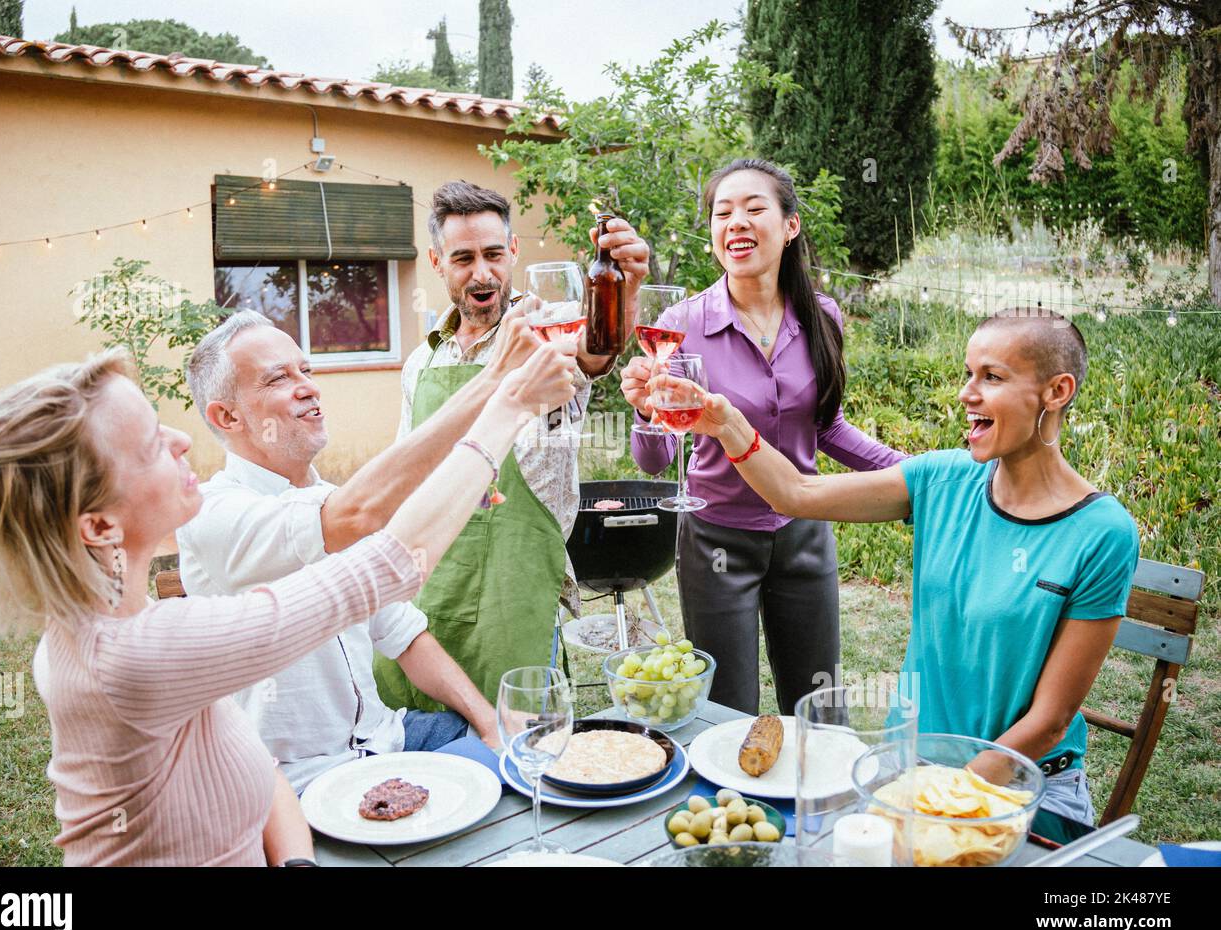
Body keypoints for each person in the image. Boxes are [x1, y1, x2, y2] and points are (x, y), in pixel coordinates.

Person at [0, 338, 577, 865]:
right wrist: (509, 404)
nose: (181, 441)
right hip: (327, 785)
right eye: (147, 445)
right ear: (99, 527)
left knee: (538, 767)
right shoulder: (138, 653)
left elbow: (254, 760)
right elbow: (389, 564)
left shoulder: (117, 625)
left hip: (373, 755)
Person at [668, 307, 1140, 824]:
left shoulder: (1101, 534)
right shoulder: (942, 480)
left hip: (1025, 785)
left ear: (1057, 391)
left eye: (992, 377)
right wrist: (727, 423)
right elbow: (794, 492)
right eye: (968, 374)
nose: (967, 393)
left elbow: (1050, 722)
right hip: (908, 768)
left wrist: (941, 799)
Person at [178, 309, 527, 794]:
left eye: (307, 371)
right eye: (278, 378)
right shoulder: (213, 513)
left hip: (389, 741)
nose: (308, 387)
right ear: (227, 416)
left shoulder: (334, 500)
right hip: (298, 779)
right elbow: (353, 516)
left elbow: (403, 634)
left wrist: (490, 723)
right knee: (483, 798)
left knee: (528, 754)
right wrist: (495, 383)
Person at [622, 158, 905, 715]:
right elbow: (655, 461)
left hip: (805, 531)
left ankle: (818, 801)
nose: (736, 223)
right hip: (716, 541)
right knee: (727, 712)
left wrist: (914, 470)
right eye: (723, 213)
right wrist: (645, 411)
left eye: (754, 209)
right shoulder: (682, 322)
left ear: (790, 226)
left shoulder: (822, 316)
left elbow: (827, 427)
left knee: (821, 705)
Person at [379, 180, 651, 708]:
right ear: (437, 263)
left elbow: (597, 347)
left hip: (519, 584)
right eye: (463, 259)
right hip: (433, 578)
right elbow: (407, 477)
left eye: (493, 254)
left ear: (514, 253)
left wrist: (627, 286)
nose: (482, 273)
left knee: (519, 742)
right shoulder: (422, 362)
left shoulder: (547, 331)